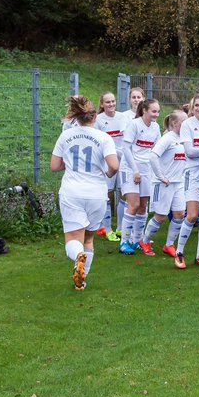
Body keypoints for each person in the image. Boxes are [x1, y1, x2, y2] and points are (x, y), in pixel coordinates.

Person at [50, 95, 119, 291]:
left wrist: (70, 164)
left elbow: (54, 166)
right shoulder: (104, 138)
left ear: (76, 118)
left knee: (73, 239)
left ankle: (77, 256)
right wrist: (107, 172)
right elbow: (114, 165)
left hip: (72, 192)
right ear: (95, 116)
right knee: (89, 238)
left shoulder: (66, 136)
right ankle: (81, 280)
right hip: (96, 193)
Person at [172, 92, 199, 270]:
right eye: (196, 105)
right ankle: (179, 252)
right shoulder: (187, 125)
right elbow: (189, 151)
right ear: (192, 107)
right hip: (193, 173)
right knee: (191, 215)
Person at [117, 96, 160, 255]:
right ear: (144, 110)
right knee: (133, 205)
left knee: (143, 206)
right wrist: (135, 170)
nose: (156, 114)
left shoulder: (155, 128)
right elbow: (126, 148)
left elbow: (156, 150)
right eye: (154, 111)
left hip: (146, 170)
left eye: (158, 112)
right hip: (130, 168)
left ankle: (137, 240)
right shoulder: (134, 124)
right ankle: (124, 242)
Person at [144, 110, 189, 257]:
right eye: (184, 121)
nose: (188, 124)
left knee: (179, 214)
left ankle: (169, 245)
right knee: (161, 216)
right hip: (164, 183)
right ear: (175, 123)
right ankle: (145, 241)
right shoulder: (167, 138)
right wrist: (160, 176)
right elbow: (152, 156)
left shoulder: (185, 138)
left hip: (179, 183)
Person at [94, 91, 132, 242]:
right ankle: (107, 228)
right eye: (107, 102)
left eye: (113, 101)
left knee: (124, 192)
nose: (111, 104)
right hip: (107, 161)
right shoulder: (98, 120)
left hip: (123, 162)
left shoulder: (123, 117)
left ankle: (120, 228)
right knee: (107, 194)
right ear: (102, 104)